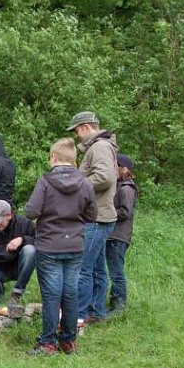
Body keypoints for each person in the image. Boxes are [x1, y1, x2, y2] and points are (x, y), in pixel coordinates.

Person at [25, 138, 97, 355]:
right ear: (74, 160)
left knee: (51, 295)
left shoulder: (45, 181)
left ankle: (47, 343)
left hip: (49, 245)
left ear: (54, 158)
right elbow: (92, 214)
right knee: (70, 294)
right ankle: (68, 341)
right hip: (74, 245)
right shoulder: (85, 183)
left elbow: (31, 211)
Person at [67, 111, 118, 325]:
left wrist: (78, 183)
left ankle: (79, 315)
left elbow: (104, 178)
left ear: (87, 127)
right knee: (97, 268)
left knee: (82, 268)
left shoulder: (99, 147)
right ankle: (97, 312)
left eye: (77, 130)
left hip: (97, 218)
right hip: (101, 216)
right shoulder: (100, 147)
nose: (77, 135)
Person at [106, 154, 138, 313]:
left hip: (118, 236)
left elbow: (125, 212)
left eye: (115, 166)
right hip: (113, 235)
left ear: (124, 169)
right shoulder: (119, 186)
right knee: (113, 270)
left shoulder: (126, 188)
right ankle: (113, 303)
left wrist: (106, 211)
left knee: (116, 272)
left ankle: (119, 305)